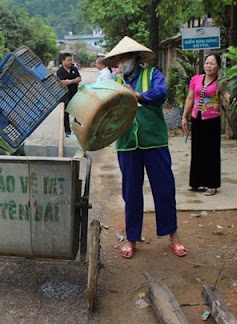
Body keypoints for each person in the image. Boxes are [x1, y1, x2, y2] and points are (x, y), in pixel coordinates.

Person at [102, 36, 187, 259]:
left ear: (136, 58)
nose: (121, 62)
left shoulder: (153, 75)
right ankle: (131, 238)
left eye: (125, 57)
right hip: (127, 143)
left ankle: (173, 235)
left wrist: (138, 95)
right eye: (118, 59)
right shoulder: (115, 83)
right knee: (131, 193)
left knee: (165, 189)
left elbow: (160, 94)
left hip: (154, 141)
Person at [181, 54, 227, 197]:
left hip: (212, 120)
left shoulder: (220, 82)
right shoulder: (196, 79)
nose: (208, 66)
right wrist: (184, 116)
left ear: (218, 67)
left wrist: (235, 100)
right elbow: (190, 98)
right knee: (197, 151)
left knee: (211, 152)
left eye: (212, 64)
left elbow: (226, 96)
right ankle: (196, 182)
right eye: (207, 63)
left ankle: (212, 185)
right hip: (197, 119)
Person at [56, 53, 81, 137]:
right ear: (63, 61)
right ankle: (67, 131)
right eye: (68, 60)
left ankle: (77, 130)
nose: (70, 62)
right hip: (65, 96)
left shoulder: (74, 69)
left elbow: (79, 79)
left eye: (71, 60)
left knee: (77, 113)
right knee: (65, 114)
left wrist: (70, 81)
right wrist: (72, 81)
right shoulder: (60, 71)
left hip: (75, 95)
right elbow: (61, 82)